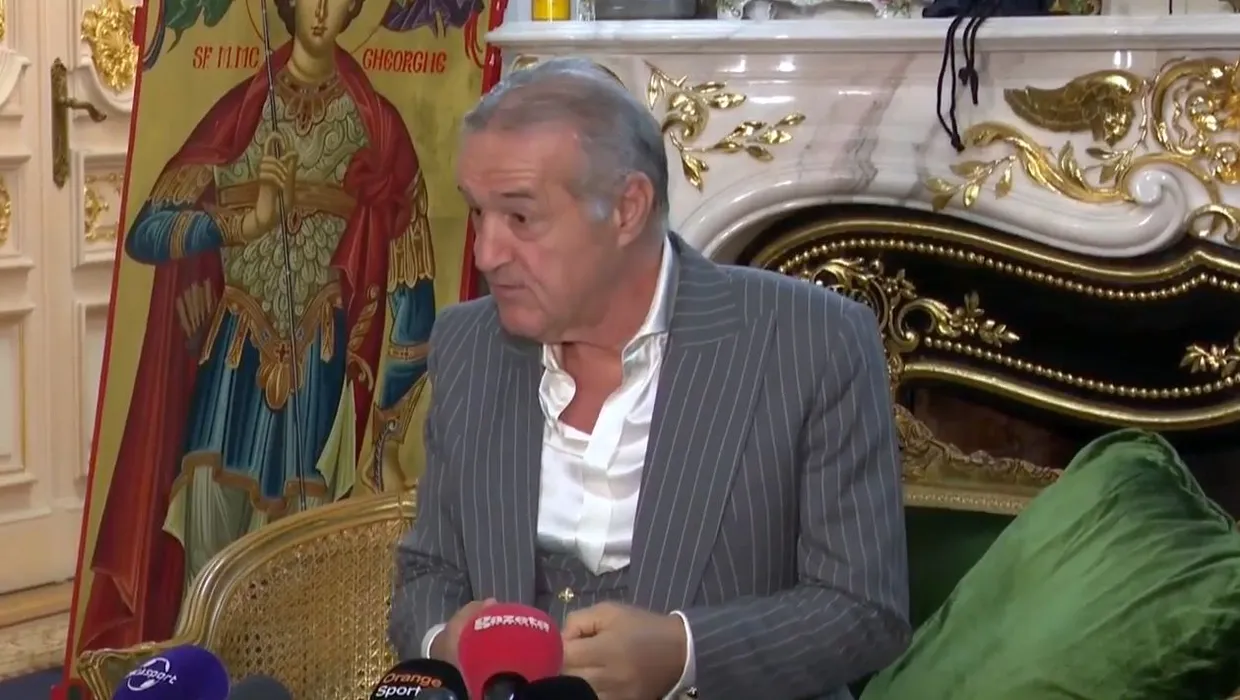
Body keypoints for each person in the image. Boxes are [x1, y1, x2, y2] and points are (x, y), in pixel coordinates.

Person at [389, 57, 909, 700]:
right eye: (477, 213)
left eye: (520, 218)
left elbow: (864, 609)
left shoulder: (813, 342)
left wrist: (685, 654)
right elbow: (429, 569)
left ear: (627, 208)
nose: (486, 253)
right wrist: (444, 642)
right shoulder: (467, 345)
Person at [81, 0, 436, 651]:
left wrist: (388, 440)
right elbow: (147, 232)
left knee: (302, 551)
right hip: (232, 362)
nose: (322, 11)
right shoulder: (240, 112)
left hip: (319, 368)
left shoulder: (377, 127)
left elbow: (414, 290)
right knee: (209, 535)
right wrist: (241, 224)